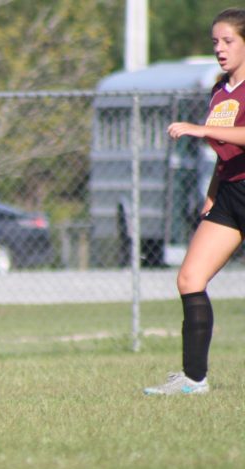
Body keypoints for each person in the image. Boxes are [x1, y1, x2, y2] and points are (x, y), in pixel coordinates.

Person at [144, 8, 245, 396]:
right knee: (190, 278)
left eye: (228, 41)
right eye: (215, 42)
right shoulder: (220, 89)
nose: (220, 49)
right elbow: (226, 152)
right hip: (231, 194)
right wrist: (213, 193)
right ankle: (193, 380)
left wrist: (200, 128)